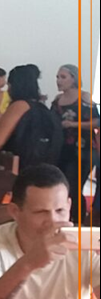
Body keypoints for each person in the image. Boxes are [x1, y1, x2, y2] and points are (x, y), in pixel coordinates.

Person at [0, 164, 99, 299]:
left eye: (60, 210)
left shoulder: (85, 245)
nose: (53, 221)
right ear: (15, 212)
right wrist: (28, 263)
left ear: (69, 206)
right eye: (41, 212)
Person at [0, 64, 62, 169]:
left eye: (9, 85)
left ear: (15, 86)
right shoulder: (41, 107)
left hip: (18, 169)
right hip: (43, 169)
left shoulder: (19, 105)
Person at [51, 64, 100, 225]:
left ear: (74, 79)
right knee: (61, 185)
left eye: (63, 77)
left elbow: (96, 121)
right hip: (62, 149)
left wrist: (74, 124)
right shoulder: (58, 100)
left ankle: (78, 221)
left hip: (82, 149)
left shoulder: (84, 98)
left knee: (74, 186)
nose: (59, 80)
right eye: (58, 77)